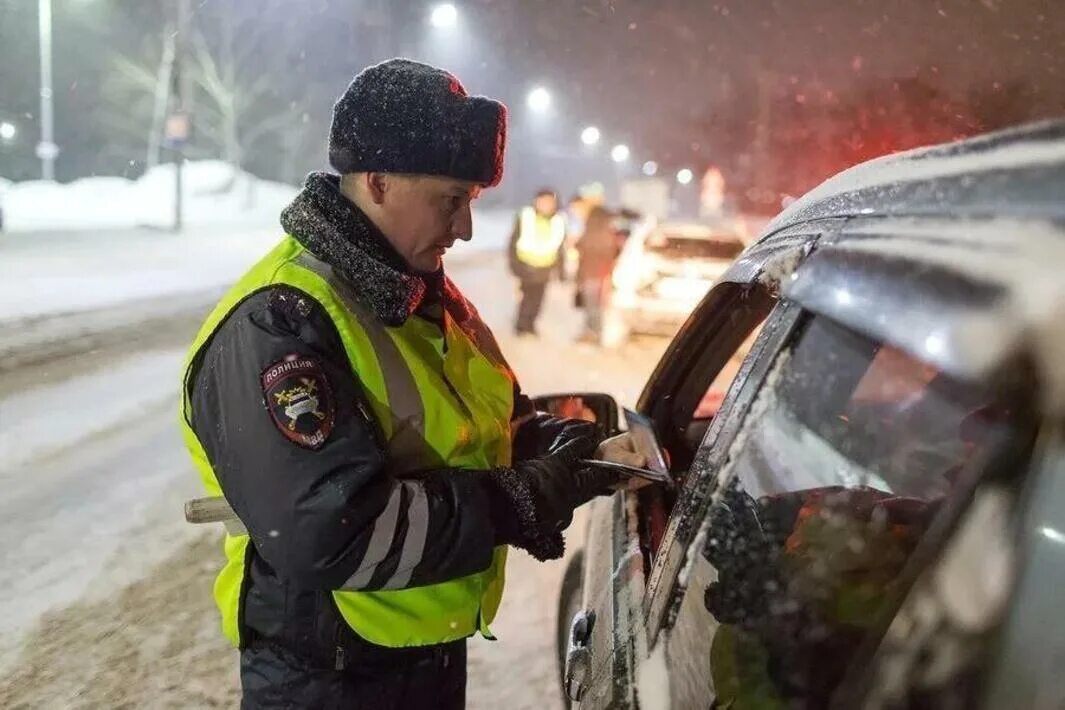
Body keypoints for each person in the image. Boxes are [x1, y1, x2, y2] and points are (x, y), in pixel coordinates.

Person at [178, 59, 640, 708]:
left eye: (471, 203)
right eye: (451, 200)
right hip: (325, 674)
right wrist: (521, 498)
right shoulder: (280, 319)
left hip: (419, 651)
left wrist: (556, 440)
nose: (465, 228)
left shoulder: (423, 294)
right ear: (377, 182)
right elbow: (331, 530)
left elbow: (486, 418)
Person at [508, 187, 567, 336]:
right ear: (536, 202)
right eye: (543, 201)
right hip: (526, 265)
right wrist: (514, 264)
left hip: (545, 267)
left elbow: (561, 248)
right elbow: (513, 241)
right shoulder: (526, 216)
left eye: (549, 202)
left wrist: (561, 271)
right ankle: (521, 325)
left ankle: (531, 324)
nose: (546, 205)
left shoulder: (559, 220)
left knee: (538, 300)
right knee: (526, 297)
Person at [574, 206, 624, 344]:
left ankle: (593, 333)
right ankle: (593, 333)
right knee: (594, 306)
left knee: (593, 306)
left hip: (593, 274)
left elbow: (582, 247)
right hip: (597, 274)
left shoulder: (594, 232)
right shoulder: (607, 232)